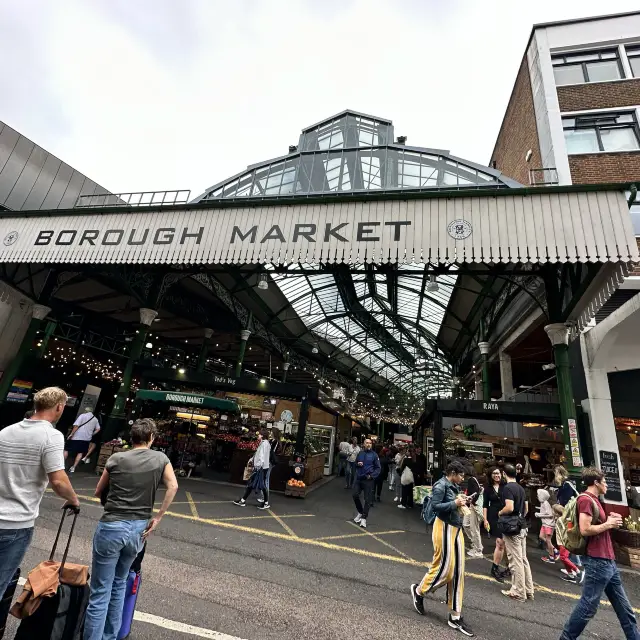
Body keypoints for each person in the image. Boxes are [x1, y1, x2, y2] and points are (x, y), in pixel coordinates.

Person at [84, 418, 178, 640]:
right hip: (138, 529)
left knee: (100, 591)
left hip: (112, 526)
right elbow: (173, 486)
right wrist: (158, 517)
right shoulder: (161, 459)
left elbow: (98, 492)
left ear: (131, 437)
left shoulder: (116, 458)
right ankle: (111, 636)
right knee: (119, 584)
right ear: (151, 438)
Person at [0, 387, 80, 598]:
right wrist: (74, 499)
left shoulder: (6, 431)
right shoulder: (51, 436)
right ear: (59, 407)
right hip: (16, 524)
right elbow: (58, 480)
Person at [560, 467, 639, 640]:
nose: (607, 485)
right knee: (588, 606)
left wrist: (610, 522)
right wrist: (608, 524)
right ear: (596, 482)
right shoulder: (586, 500)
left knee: (625, 611)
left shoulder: (594, 500)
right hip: (597, 561)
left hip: (608, 561)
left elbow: (597, 527)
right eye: (604, 481)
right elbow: (585, 529)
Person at [410, 461, 474, 637]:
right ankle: (419, 591)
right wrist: (455, 503)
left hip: (455, 528)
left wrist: (461, 502)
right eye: (461, 475)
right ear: (453, 472)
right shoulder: (440, 485)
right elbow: (436, 507)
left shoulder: (452, 484)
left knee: (459, 572)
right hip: (444, 527)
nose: (463, 479)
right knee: (446, 570)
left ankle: (455, 615)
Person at [499, 463, 533, 602]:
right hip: (522, 525)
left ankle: (518, 591)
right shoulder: (520, 488)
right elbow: (525, 508)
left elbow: (509, 507)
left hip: (512, 528)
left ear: (504, 474)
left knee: (515, 559)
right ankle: (528, 589)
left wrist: (499, 512)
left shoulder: (507, 488)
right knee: (523, 558)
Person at [553, 465, 584, 583]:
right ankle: (571, 573)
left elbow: (566, 507)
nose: (555, 478)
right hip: (565, 521)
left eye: (556, 474)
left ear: (559, 474)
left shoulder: (566, 485)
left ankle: (577, 569)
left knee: (565, 547)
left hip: (568, 521)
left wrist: (556, 507)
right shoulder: (565, 485)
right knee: (563, 547)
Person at [234, 429, 271, 509]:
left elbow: (261, 456)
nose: (258, 435)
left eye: (259, 434)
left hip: (260, 467)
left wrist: (258, 466)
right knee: (255, 484)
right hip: (262, 467)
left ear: (262, 436)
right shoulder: (265, 443)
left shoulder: (264, 444)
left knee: (259, 484)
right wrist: (252, 459)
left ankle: (244, 501)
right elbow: (259, 454)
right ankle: (244, 500)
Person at [483, 467, 509, 582]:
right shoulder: (488, 489)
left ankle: (508, 567)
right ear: (491, 475)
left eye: (498, 473)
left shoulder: (506, 486)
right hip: (493, 516)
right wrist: (485, 519)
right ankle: (495, 568)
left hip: (505, 515)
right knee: (500, 542)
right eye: (494, 473)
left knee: (505, 543)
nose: (496, 475)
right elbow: (485, 505)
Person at [352, 438, 380, 529]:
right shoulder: (360, 453)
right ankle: (360, 512)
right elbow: (355, 463)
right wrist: (357, 464)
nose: (368, 444)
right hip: (359, 478)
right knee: (355, 495)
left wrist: (371, 476)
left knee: (367, 500)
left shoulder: (374, 455)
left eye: (370, 443)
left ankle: (364, 518)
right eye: (367, 443)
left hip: (368, 480)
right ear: (363, 444)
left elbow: (378, 468)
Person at [65, 407, 101, 473]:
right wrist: (92, 434)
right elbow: (98, 429)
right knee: (80, 452)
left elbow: (76, 426)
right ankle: (73, 467)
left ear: (85, 411)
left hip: (76, 436)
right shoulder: (95, 419)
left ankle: (61, 465)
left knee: (66, 449)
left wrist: (71, 434)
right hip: (86, 439)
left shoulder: (82, 416)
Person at [463, 469, 484, 559]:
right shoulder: (474, 479)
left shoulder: (471, 480)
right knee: (466, 524)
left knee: (474, 527)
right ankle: (475, 544)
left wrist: (469, 499)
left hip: (474, 506)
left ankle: (478, 549)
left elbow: (475, 493)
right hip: (472, 505)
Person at [535, 488, 558, 563]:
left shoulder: (545, 503)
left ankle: (552, 557)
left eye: (538, 495)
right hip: (544, 524)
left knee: (548, 540)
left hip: (549, 524)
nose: (537, 496)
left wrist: (539, 515)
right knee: (541, 536)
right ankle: (554, 550)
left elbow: (550, 514)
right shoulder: (542, 503)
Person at [261, 427, 282, 501]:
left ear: (274, 433)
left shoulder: (275, 442)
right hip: (268, 461)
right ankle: (264, 497)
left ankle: (265, 498)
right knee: (265, 478)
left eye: (271, 432)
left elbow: (272, 452)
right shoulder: (271, 441)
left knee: (266, 479)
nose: (270, 433)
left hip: (269, 462)